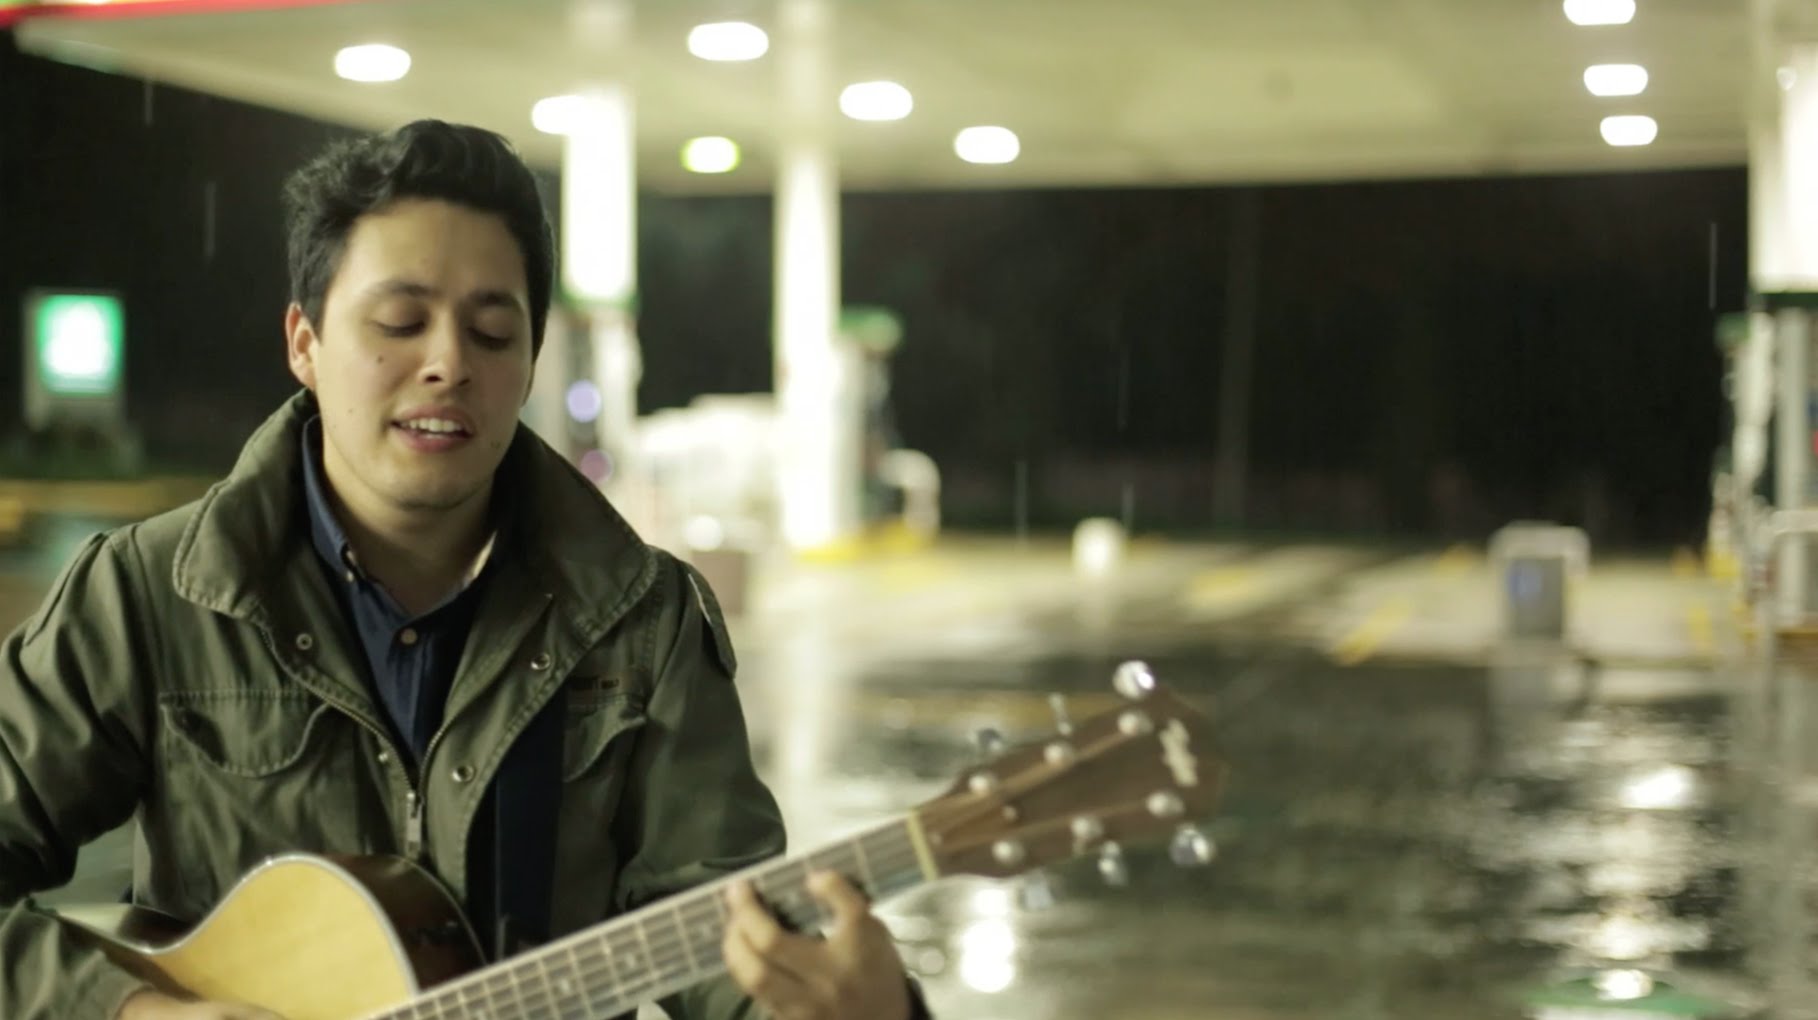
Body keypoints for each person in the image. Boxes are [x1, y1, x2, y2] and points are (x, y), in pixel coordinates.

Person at [0, 120, 923, 1020]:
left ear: (529, 363)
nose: (448, 363)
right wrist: (134, 1009)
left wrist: (851, 1006)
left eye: (491, 333)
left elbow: (726, 945)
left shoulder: (643, 621)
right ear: (304, 344)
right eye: (400, 322)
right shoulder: (149, 593)